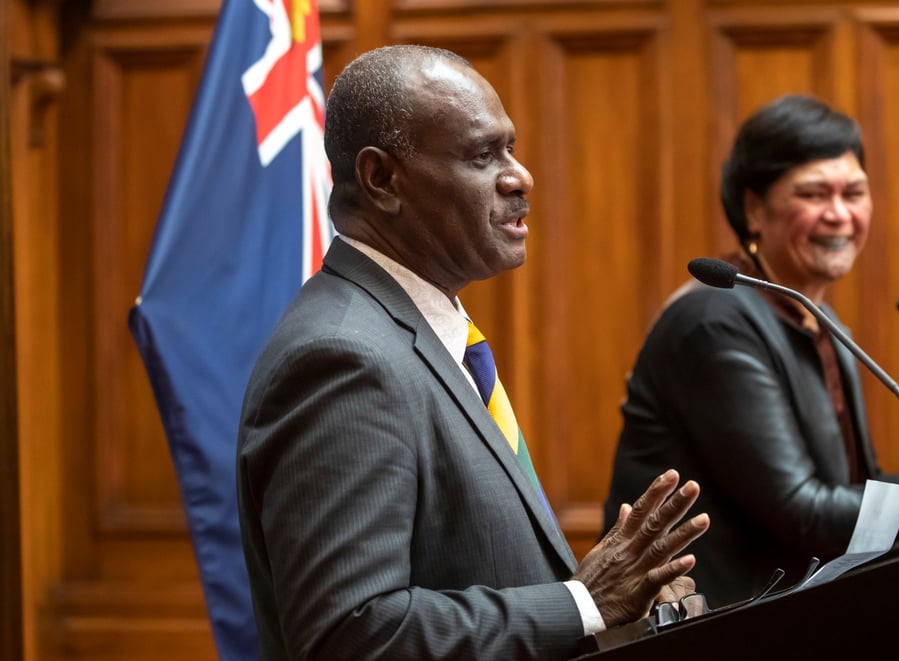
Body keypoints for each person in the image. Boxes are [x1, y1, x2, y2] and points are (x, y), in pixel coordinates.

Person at [236, 45, 710, 660]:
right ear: (383, 180)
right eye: (483, 155)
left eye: (509, 148)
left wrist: (618, 614)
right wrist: (581, 603)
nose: (520, 176)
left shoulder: (417, 332)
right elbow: (350, 635)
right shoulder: (344, 357)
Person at [601, 94, 899, 609]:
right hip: (709, 626)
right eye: (815, 193)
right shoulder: (714, 322)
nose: (840, 214)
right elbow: (803, 512)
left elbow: (854, 490)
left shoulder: (811, 318)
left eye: (855, 192)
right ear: (754, 208)